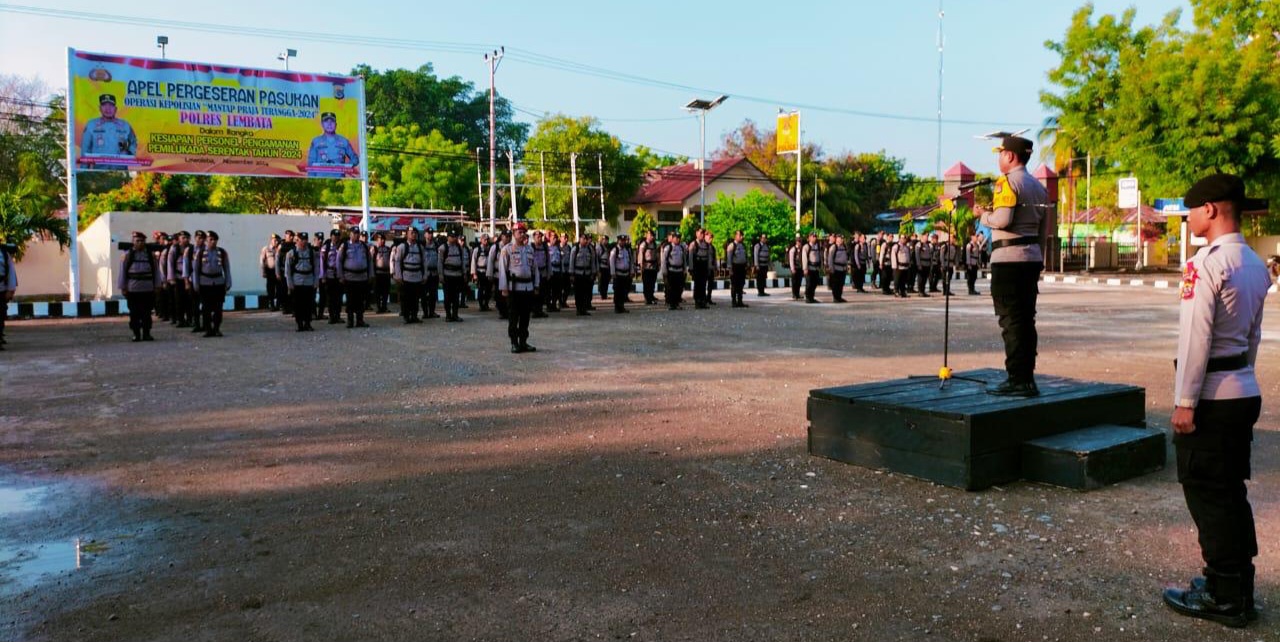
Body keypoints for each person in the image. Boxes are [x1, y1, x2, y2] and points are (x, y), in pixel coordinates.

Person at [1162, 174, 1271, 629]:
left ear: (1210, 209)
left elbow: (1195, 339)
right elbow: (1252, 337)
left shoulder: (1204, 264)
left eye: (1190, 209)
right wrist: (1240, 372)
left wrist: (1186, 401)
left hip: (1211, 396)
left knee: (1208, 494)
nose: (1188, 217)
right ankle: (1237, 586)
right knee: (1230, 493)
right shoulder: (1254, 263)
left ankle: (1224, 597)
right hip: (1243, 389)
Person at [980, 135, 1050, 397]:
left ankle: (1017, 379)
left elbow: (1003, 219)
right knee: (1025, 320)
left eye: (1000, 154)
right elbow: (1045, 229)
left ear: (1009, 156)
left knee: (1010, 320)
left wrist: (983, 216)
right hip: (1031, 258)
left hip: (1008, 260)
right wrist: (1039, 257)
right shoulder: (1039, 186)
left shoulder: (1008, 182)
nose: (999, 158)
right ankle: (1026, 376)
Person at [499, 223, 540, 353]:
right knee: (513, 317)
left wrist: (536, 285)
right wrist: (504, 288)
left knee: (525, 317)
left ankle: (523, 341)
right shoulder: (507, 249)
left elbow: (535, 269)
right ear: (514, 233)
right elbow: (502, 270)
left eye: (524, 232)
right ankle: (514, 342)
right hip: (514, 288)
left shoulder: (529, 249)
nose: (522, 235)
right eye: (519, 232)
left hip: (527, 288)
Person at [119, 231, 161, 342]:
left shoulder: (150, 255)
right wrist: (123, 287)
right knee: (134, 313)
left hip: (147, 289)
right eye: (137, 241)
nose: (140, 243)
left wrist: (157, 286)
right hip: (133, 290)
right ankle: (136, 334)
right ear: (133, 242)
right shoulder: (128, 255)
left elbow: (156, 272)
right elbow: (122, 272)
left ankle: (146, 333)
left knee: (147, 313)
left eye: (142, 241)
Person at [191, 231, 230, 337]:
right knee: (206, 308)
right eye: (210, 240)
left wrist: (228, 282)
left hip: (218, 283)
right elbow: (196, 269)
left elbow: (226, 268)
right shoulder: (200, 252)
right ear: (206, 241)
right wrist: (196, 284)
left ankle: (217, 328)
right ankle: (208, 329)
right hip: (205, 283)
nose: (213, 242)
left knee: (218, 308)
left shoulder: (222, 252)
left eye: (215, 240)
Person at [284, 232, 322, 331]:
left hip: (309, 281)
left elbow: (316, 268)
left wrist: (316, 281)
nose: (304, 242)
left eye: (305, 239)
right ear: (298, 240)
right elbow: (287, 270)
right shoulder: (292, 253)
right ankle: (300, 324)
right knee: (298, 305)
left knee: (309, 304)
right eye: (302, 240)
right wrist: (290, 284)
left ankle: (308, 323)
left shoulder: (311, 252)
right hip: (297, 282)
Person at [81, 94, 137, 158]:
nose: (108, 108)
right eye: (104, 105)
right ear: (100, 108)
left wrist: (128, 155)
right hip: (98, 167)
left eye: (111, 105)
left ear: (115, 109)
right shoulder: (91, 125)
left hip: (120, 167)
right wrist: (84, 167)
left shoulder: (125, 125)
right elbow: (85, 151)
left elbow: (133, 142)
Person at [306, 112, 359, 177]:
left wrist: (345, 167)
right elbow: (311, 164)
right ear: (322, 124)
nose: (329, 124)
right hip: (320, 180)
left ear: (336, 124)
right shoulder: (316, 141)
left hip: (339, 181)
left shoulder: (344, 141)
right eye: (326, 121)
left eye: (332, 121)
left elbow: (355, 159)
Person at [338, 229, 373, 328]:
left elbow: (369, 261)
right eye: (355, 234)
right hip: (349, 277)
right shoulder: (345, 246)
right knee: (350, 300)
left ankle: (360, 320)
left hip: (362, 278)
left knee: (360, 300)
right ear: (350, 234)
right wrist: (340, 276)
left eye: (358, 234)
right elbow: (339, 261)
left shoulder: (364, 246)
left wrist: (370, 275)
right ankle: (350, 320)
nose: (357, 236)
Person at [391, 227, 427, 324]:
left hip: (417, 276)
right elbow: (397, 262)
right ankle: (407, 316)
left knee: (415, 299)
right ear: (407, 234)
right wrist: (398, 276)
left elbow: (424, 262)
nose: (413, 235)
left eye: (415, 233)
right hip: (406, 276)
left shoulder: (420, 247)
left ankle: (414, 316)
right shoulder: (402, 247)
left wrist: (425, 276)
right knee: (406, 298)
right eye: (411, 233)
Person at [441, 231, 469, 322]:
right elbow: (440, 263)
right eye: (452, 236)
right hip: (447, 276)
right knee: (448, 297)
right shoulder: (443, 248)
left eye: (455, 236)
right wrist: (441, 276)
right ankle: (448, 315)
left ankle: (455, 314)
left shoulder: (459, 248)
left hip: (457, 276)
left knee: (456, 297)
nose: (454, 238)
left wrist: (464, 273)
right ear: (448, 237)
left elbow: (463, 262)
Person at [569, 234, 597, 316]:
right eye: (583, 239)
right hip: (578, 274)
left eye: (586, 239)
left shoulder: (590, 249)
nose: (585, 240)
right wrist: (571, 274)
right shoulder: (575, 249)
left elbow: (592, 262)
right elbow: (571, 262)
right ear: (580, 239)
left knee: (586, 293)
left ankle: (584, 309)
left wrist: (593, 273)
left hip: (587, 274)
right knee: (578, 293)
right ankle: (579, 309)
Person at [661, 231, 688, 310]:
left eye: (679, 238)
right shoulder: (668, 247)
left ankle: (676, 303)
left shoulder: (681, 247)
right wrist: (664, 271)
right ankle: (671, 304)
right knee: (671, 288)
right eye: (676, 238)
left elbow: (684, 260)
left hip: (679, 270)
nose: (678, 239)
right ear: (672, 238)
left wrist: (685, 269)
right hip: (671, 271)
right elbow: (664, 260)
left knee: (678, 288)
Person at [420, 228, 442, 320]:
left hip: (434, 273)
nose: (430, 235)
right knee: (424, 294)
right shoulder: (421, 245)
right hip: (425, 273)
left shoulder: (436, 245)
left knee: (433, 294)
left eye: (431, 233)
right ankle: (425, 312)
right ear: (425, 234)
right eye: (428, 233)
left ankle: (432, 311)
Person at [690, 229, 715, 309]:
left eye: (703, 233)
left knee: (703, 285)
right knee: (698, 285)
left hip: (704, 266)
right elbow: (691, 258)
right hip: (697, 266)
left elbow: (709, 258)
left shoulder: (706, 245)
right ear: (696, 233)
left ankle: (703, 302)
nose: (702, 235)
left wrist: (709, 267)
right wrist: (691, 269)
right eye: (700, 233)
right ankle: (697, 302)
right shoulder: (694, 244)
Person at [609, 234, 634, 314]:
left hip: (625, 274)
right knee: (617, 292)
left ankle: (622, 306)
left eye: (624, 241)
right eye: (621, 241)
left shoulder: (627, 250)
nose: (623, 242)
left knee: (624, 291)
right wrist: (612, 273)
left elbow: (630, 262)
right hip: (618, 274)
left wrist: (631, 271)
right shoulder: (615, 250)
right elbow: (611, 262)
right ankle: (617, 307)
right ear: (618, 241)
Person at [725, 230, 750, 308]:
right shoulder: (732, 246)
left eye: (742, 235)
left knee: (741, 284)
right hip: (735, 267)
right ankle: (734, 301)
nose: (742, 237)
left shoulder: (743, 245)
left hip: (742, 267)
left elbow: (745, 256)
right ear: (735, 236)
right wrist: (730, 269)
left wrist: (747, 265)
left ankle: (740, 301)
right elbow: (729, 258)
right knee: (734, 285)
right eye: (740, 235)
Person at [635, 230, 660, 305]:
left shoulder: (654, 244)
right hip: (646, 267)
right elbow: (640, 256)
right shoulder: (643, 244)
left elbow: (657, 255)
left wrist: (658, 264)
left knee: (652, 283)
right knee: (647, 284)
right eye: (650, 235)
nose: (652, 237)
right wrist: (641, 266)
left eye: (653, 235)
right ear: (647, 235)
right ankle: (647, 299)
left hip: (653, 267)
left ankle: (651, 297)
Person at [370, 233, 393, 314]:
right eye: (380, 239)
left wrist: (391, 272)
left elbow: (391, 260)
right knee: (378, 292)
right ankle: (379, 307)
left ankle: (384, 306)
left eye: (383, 239)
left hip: (386, 273)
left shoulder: (388, 249)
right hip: (378, 273)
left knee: (385, 292)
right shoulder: (374, 249)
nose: (382, 241)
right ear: (377, 240)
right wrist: (372, 274)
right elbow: (371, 262)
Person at [472, 234, 493, 312]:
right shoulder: (477, 250)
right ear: (481, 240)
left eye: (487, 239)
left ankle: (486, 304)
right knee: (481, 289)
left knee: (488, 289)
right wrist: (474, 274)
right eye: (484, 239)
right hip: (480, 272)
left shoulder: (491, 249)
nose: (486, 241)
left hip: (488, 271)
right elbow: (473, 262)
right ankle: (481, 305)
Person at [825, 233, 849, 303]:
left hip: (842, 269)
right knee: (835, 284)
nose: (841, 240)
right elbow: (830, 259)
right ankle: (835, 297)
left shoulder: (844, 247)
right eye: (840, 238)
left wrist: (846, 267)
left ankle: (839, 297)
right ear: (837, 239)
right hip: (836, 269)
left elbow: (846, 258)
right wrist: (831, 269)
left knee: (841, 284)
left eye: (842, 238)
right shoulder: (833, 247)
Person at [260, 234, 281, 312]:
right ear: (270, 240)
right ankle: (272, 305)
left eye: (276, 240)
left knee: (279, 289)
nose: (275, 241)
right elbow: (262, 261)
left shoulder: (279, 249)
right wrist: (263, 271)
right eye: (273, 240)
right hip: (270, 271)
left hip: (278, 272)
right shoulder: (266, 249)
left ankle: (278, 305)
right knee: (270, 289)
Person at [0, 242, 15, 349]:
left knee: (0, 314)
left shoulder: (4, 253)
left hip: (1, 289)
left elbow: (11, 273)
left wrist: (10, 289)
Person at [802, 233, 823, 304]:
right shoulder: (806, 246)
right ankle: (808, 297)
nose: (815, 238)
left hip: (816, 268)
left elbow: (820, 257)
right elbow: (804, 258)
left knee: (815, 283)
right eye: (813, 237)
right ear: (809, 238)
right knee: (809, 283)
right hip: (809, 268)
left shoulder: (817, 246)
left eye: (815, 237)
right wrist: (805, 268)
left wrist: (821, 266)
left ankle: (812, 297)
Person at [892, 234, 912, 298]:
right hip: (898, 266)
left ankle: (903, 292)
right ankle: (896, 291)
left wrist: (909, 264)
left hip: (905, 266)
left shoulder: (906, 247)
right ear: (899, 238)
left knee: (903, 281)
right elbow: (893, 256)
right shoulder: (896, 246)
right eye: (902, 238)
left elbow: (908, 256)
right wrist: (895, 266)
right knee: (897, 280)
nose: (904, 239)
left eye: (905, 238)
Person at [753, 233, 771, 297]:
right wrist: (756, 265)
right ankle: (760, 291)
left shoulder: (766, 246)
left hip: (765, 265)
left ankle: (763, 291)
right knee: (759, 279)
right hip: (760, 265)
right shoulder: (757, 246)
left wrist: (769, 265)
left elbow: (768, 256)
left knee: (763, 278)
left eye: (765, 238)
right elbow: (756, 256)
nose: (764, 239)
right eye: (763, 238)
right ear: (760, 239)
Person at [787, 235, 805, 300]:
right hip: (795, 268)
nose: (799, 243)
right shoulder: (793, 249)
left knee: (799, 282)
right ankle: (794, 294)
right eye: (798, 241)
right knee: (794, 282)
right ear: (796, 242)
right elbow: (791, 260)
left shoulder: (802, 249)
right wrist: (792, 269)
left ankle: (797, 294)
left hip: (800, 268)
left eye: (800, 241)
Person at [596, 235, 612, 301]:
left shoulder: (607, 247)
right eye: (604, 240)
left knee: (606, 281)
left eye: (607, 240)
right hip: (601, 267)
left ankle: (605, 294)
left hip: (607, 267)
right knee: (601, 282)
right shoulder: (599, 247)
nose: (605, 241)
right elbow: (597, 258)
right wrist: (598, 269)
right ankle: (602, 295)